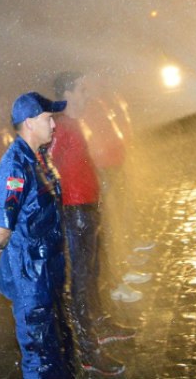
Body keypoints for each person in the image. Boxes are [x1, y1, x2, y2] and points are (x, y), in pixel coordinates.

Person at [0, 92, 75, 378]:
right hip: (31, 281)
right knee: (40, 356)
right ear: (29, 122)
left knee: (58, 347)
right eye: (48, 118)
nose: (54, 125)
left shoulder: (38, 158)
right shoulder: (15, 166)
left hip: (49, 273)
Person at [51, 71, 130, 375]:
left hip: (86, 207)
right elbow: (50, 170)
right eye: (82, 90)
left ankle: (97, 327)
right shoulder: (58, 126)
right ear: (68, 92)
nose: (87, 95)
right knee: (80, 282)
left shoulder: (73, 123)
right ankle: (87, 349)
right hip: (74, 211)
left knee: (91, 272)